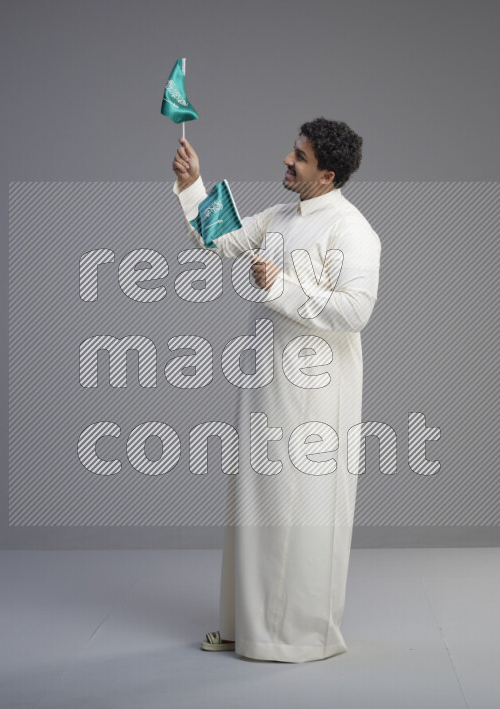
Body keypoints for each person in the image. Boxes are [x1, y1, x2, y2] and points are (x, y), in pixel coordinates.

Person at [171, 117, 381, 662]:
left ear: (327, 174)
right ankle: (248, 627)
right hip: (264, 381)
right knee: (256, 502)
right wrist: (195, 182)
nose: (287, 161)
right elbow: (218, 240)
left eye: (300, 158)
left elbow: (356, 310)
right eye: (293, 151)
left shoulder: (352, 230)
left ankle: (297, 635)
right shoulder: (282, 217)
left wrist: (282, 284)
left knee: (300, 503)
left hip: (314, 389)